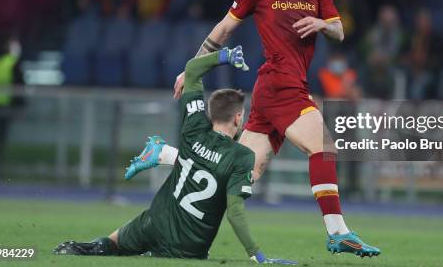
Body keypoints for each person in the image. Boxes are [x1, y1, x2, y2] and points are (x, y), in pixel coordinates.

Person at [173, 0, 380, 258]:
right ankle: (338, 232)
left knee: (240, 173)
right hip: (278, 83)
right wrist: (191, 67)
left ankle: (165, 160)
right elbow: (223, 29)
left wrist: (322, 24)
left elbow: (340, 31)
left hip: (282, 88)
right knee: (323, 148)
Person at [54, 46, 295, 264]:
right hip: (189, 247)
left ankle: (80, 248)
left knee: (112, 245)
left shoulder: (194, 127)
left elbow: (191, 69)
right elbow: (234, 211)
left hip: (154, 222)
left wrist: (225, 56)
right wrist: (258, 255)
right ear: (238, 117)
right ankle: (162, 155)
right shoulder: (242, 156)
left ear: (211, 113)